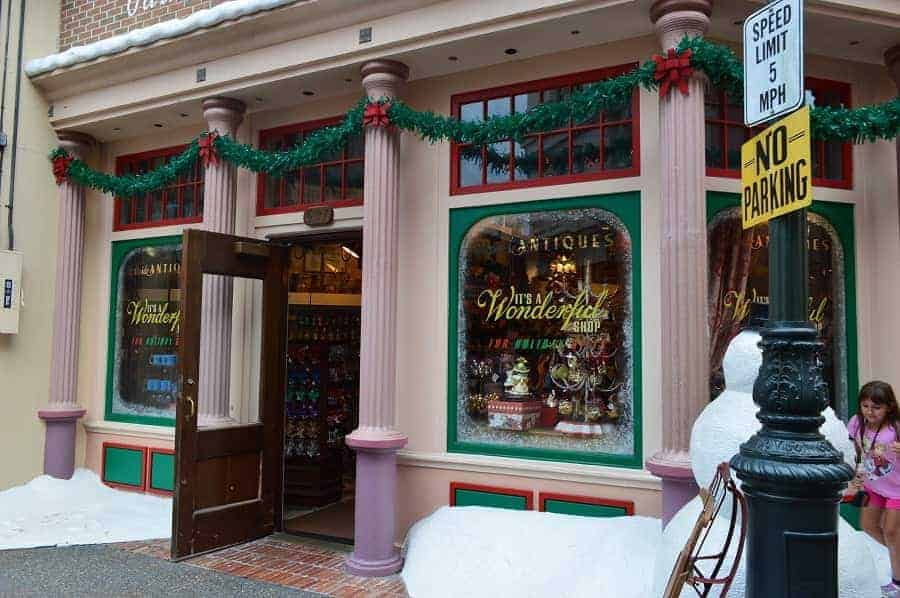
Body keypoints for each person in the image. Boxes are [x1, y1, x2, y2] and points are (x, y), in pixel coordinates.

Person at [848, 381, 900, 597]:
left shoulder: (896, 427)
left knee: (890, 531)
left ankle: (897, 582)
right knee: (868, 525)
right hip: (873, 486)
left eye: (876, 407)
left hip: (897, 489)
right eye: (865, 405)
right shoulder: (856, 423)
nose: (870, 411)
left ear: (888, 406)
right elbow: (851, 447)